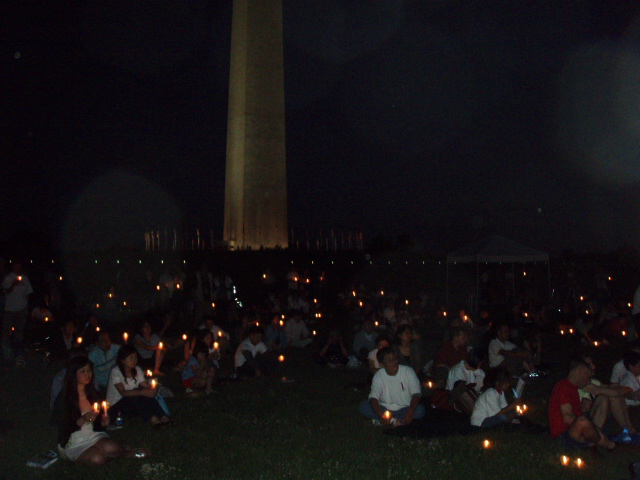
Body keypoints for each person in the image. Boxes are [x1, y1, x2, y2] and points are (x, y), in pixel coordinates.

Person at [53, 356, 128, 464]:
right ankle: (110, 456)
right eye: (82, 371)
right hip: (74, 441)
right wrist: (83, 419)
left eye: (89, 371)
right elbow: (64, 427)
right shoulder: (65, 398)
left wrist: (103, 421)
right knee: (96, 458)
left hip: (94, 435)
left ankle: (118, 453)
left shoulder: (93, 394)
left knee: (111, 447)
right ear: (74, 374)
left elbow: (98, 424)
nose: (87, 374)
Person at [547, 358, 615, 449]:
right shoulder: (563, 387)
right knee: (582, 421)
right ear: (580, 371)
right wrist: (593, 427)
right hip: (564, 434)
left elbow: (574, 412)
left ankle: (594, 438)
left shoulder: (573, 389)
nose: (588, 381)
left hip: (578, 430)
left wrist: (583, 409)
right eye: (588, 377)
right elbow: (567, 418)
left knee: (603, 398)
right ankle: (605, 443)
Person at [106, 345, 171, 428]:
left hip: (133, 403)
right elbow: (123, 392)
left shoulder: (137, 369)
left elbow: (144, 386)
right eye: (131, 358)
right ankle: (153, 419)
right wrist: (143, 392)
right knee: (139, 393)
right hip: (116, 406)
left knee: (143, 393)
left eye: (135, 357)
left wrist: (151, 389)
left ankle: (162, 416)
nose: (134, 360)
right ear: (122, 360)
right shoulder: (116, 371)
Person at [359, 347, 425, 426]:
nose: (393, 362)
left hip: (404, 408)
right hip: (384, 409)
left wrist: (410, 412)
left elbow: (416, 394)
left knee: (419, 410)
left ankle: (388, 421)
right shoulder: (379, 375)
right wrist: (381, 415)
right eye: (389, 360)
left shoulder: (408, 372)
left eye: (394, 358)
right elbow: (374, 398)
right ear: (382, 364)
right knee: (364, 406)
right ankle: (396, 421)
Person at [579, 354, 636, 433]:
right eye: (589, 365)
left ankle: (629, 429)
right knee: (608, 396)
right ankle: (628, 430)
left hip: (596, 414)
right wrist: (630, 389)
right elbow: (614, 391)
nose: (593, 367)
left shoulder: (593, 382)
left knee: (616, 395)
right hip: (583, 419)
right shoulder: (582, 383)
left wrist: (624, 391)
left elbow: (613, 389)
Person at [1, 262, 33, 362]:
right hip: (10, 309)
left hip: (21, 309)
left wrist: (26, 306)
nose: (18, 268)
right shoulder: (8, 278)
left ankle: (18, 351)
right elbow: (6, 291)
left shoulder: (25, 278)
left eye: (19, 266)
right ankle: (6, 352)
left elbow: (28, 292)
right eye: (16, 266)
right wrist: (14, 284)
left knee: (19, 330)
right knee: (7, 331)